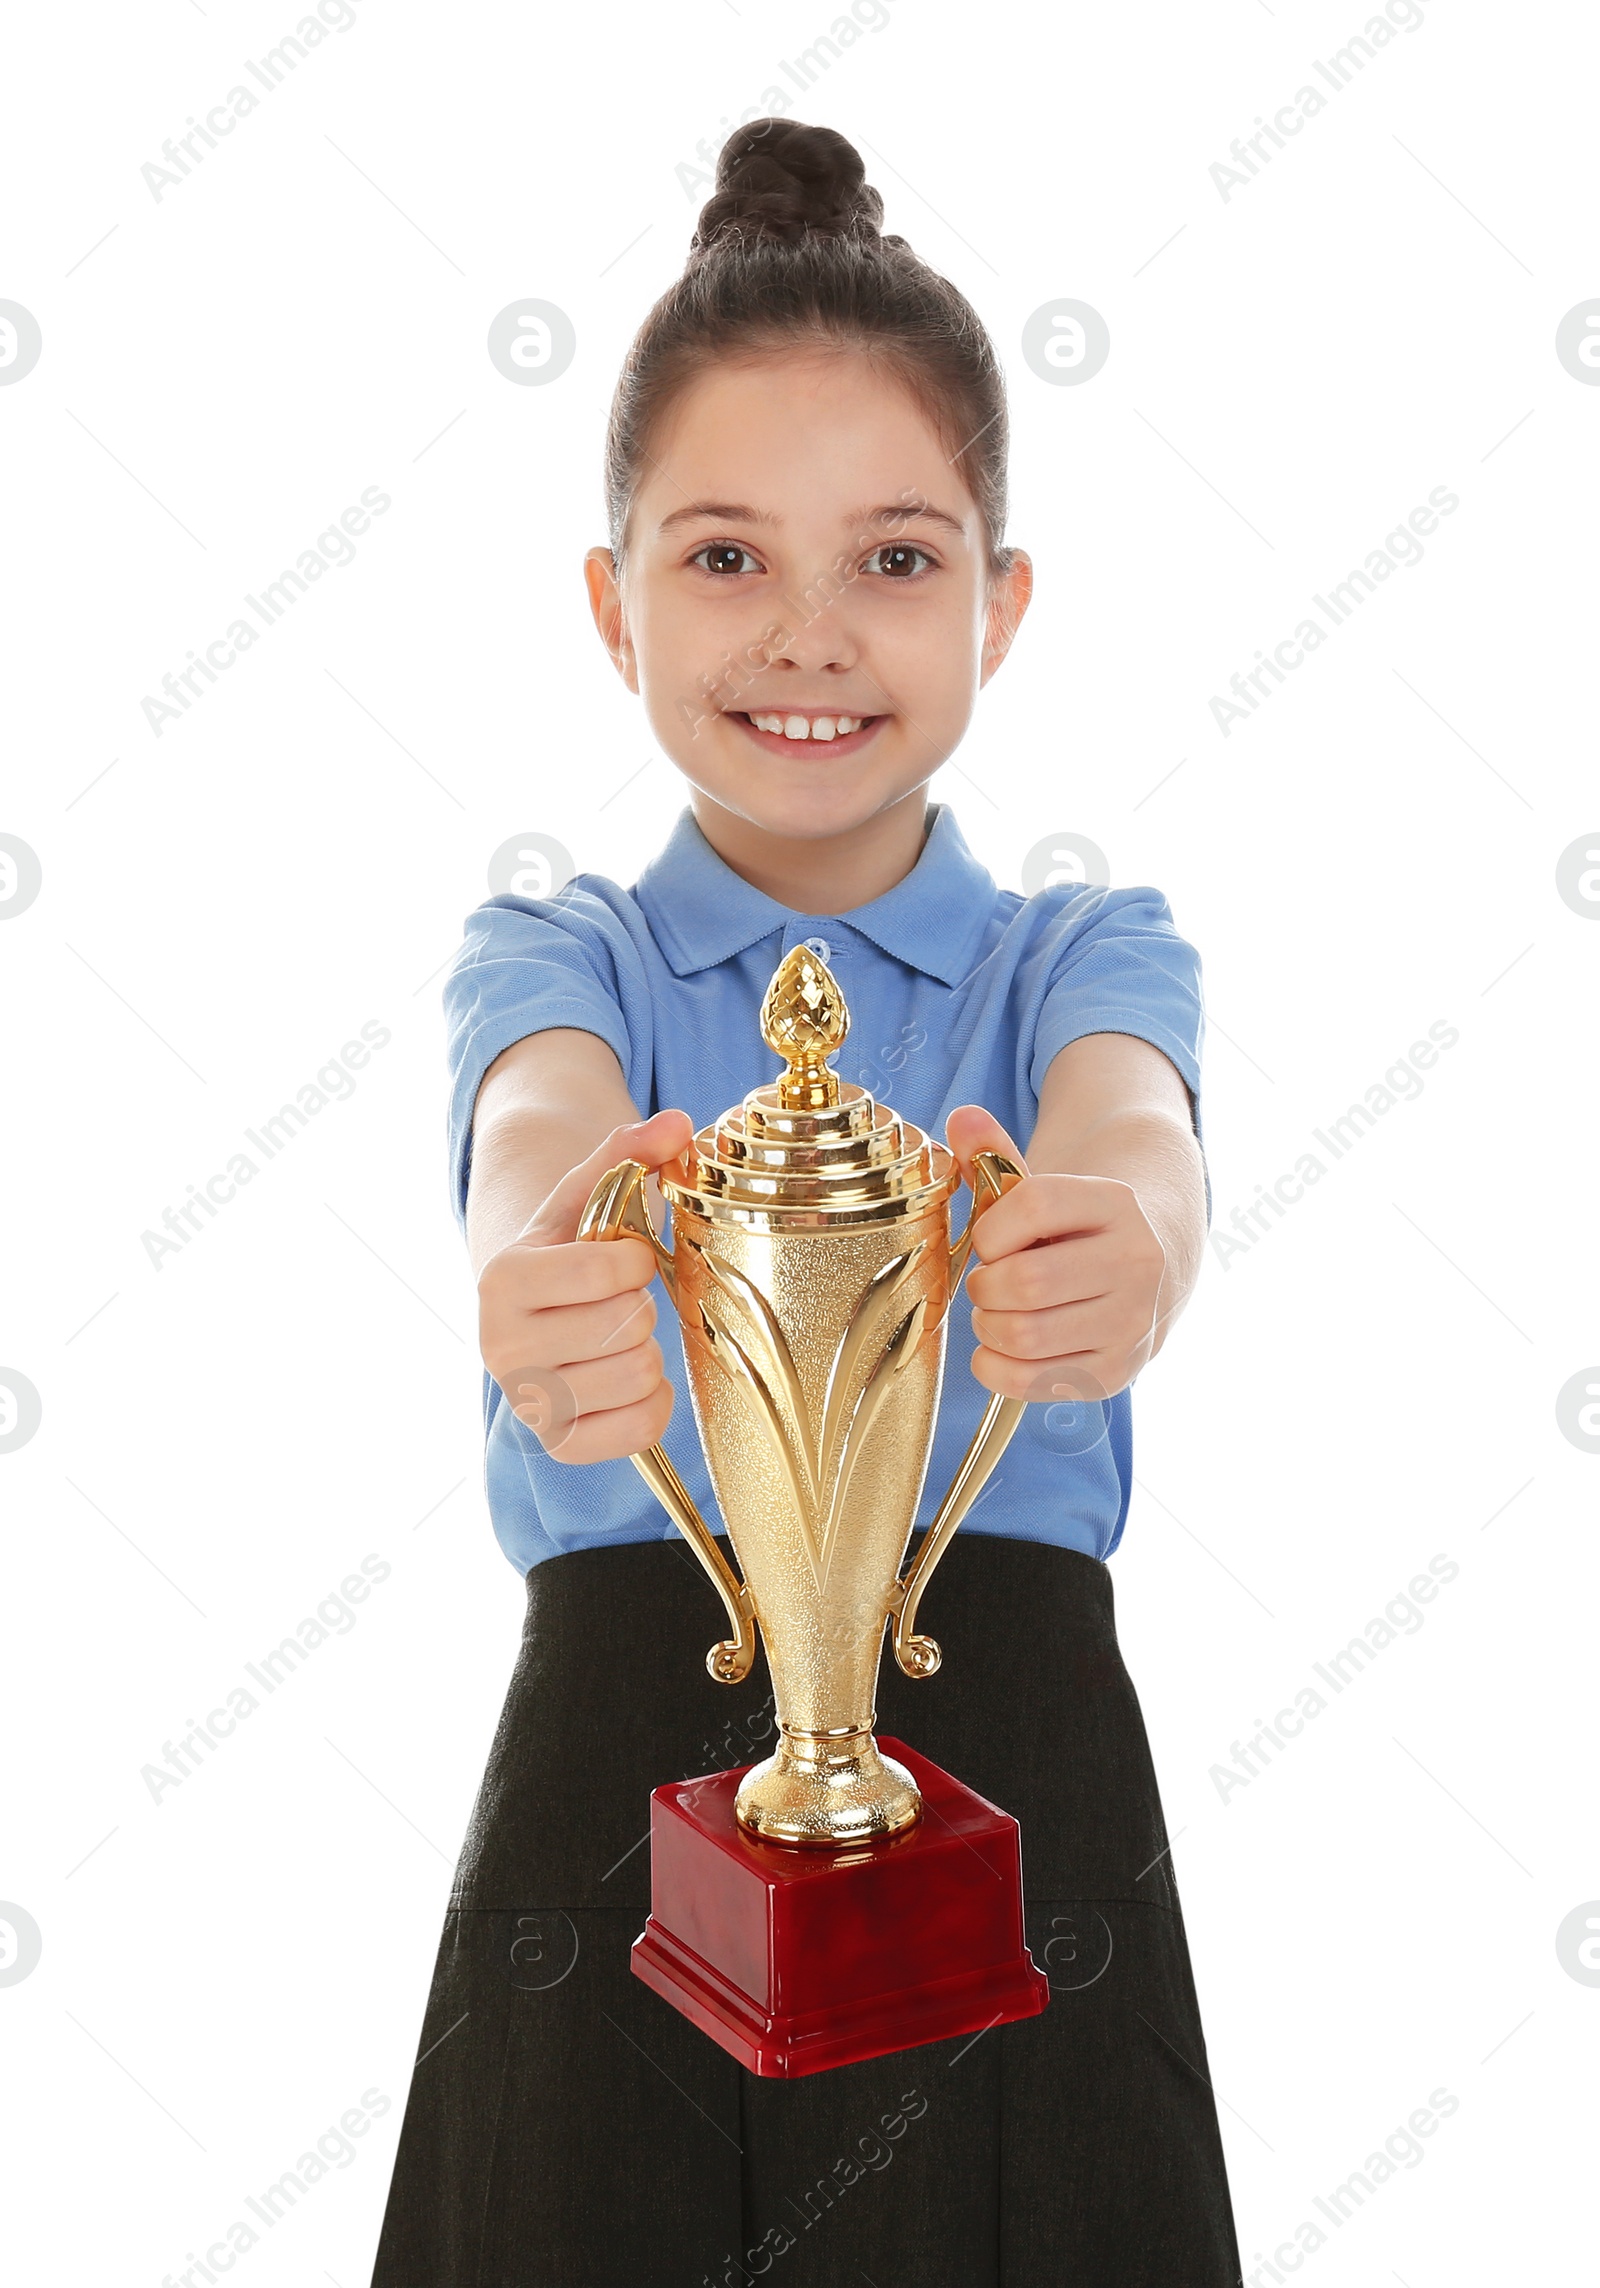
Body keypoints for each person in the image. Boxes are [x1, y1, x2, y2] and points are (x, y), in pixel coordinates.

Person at [371, 118, 1242, 2288]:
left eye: (896, 555)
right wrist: (531, 1266)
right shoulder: (554, 958)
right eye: (725, 556)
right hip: (619, 1765)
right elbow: (529, 1147)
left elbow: (1136, 1133)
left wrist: (1125, 1241)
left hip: (1012, 1745)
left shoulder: (1075, 956)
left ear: (997, 602)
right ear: (613, 600)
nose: (810, 639)